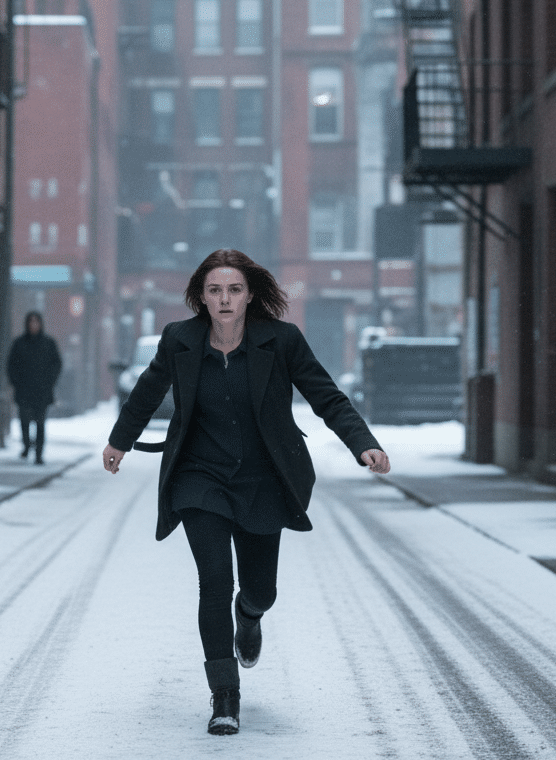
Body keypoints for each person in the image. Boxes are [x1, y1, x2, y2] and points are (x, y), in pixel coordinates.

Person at [101, 249, 390, 736]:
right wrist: (119, 441)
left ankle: (249, 614)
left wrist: (364, 444)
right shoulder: (181, 340)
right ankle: (225, 696)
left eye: (234, 290)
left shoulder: (281, 341)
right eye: (214, 291)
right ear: (201, 297)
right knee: (213, 582)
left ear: (250, 294)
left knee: (261, 588)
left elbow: (327, 396)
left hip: (262, 479)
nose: (224, 299)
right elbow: (147, 392)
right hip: (201, 478)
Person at [7, 311, 62, 464]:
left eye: (36, 322)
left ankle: (38, 453)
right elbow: (11, 365)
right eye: (30, 322)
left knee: (40, 423)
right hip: (23, 390)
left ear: (40, 324)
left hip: (42, 391)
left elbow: (56, 364)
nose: (33, 325)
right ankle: (26, 445)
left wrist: (50, 380)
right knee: (24, 421)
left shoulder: (48, 343)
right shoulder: (19, 343)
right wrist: (16, 382)